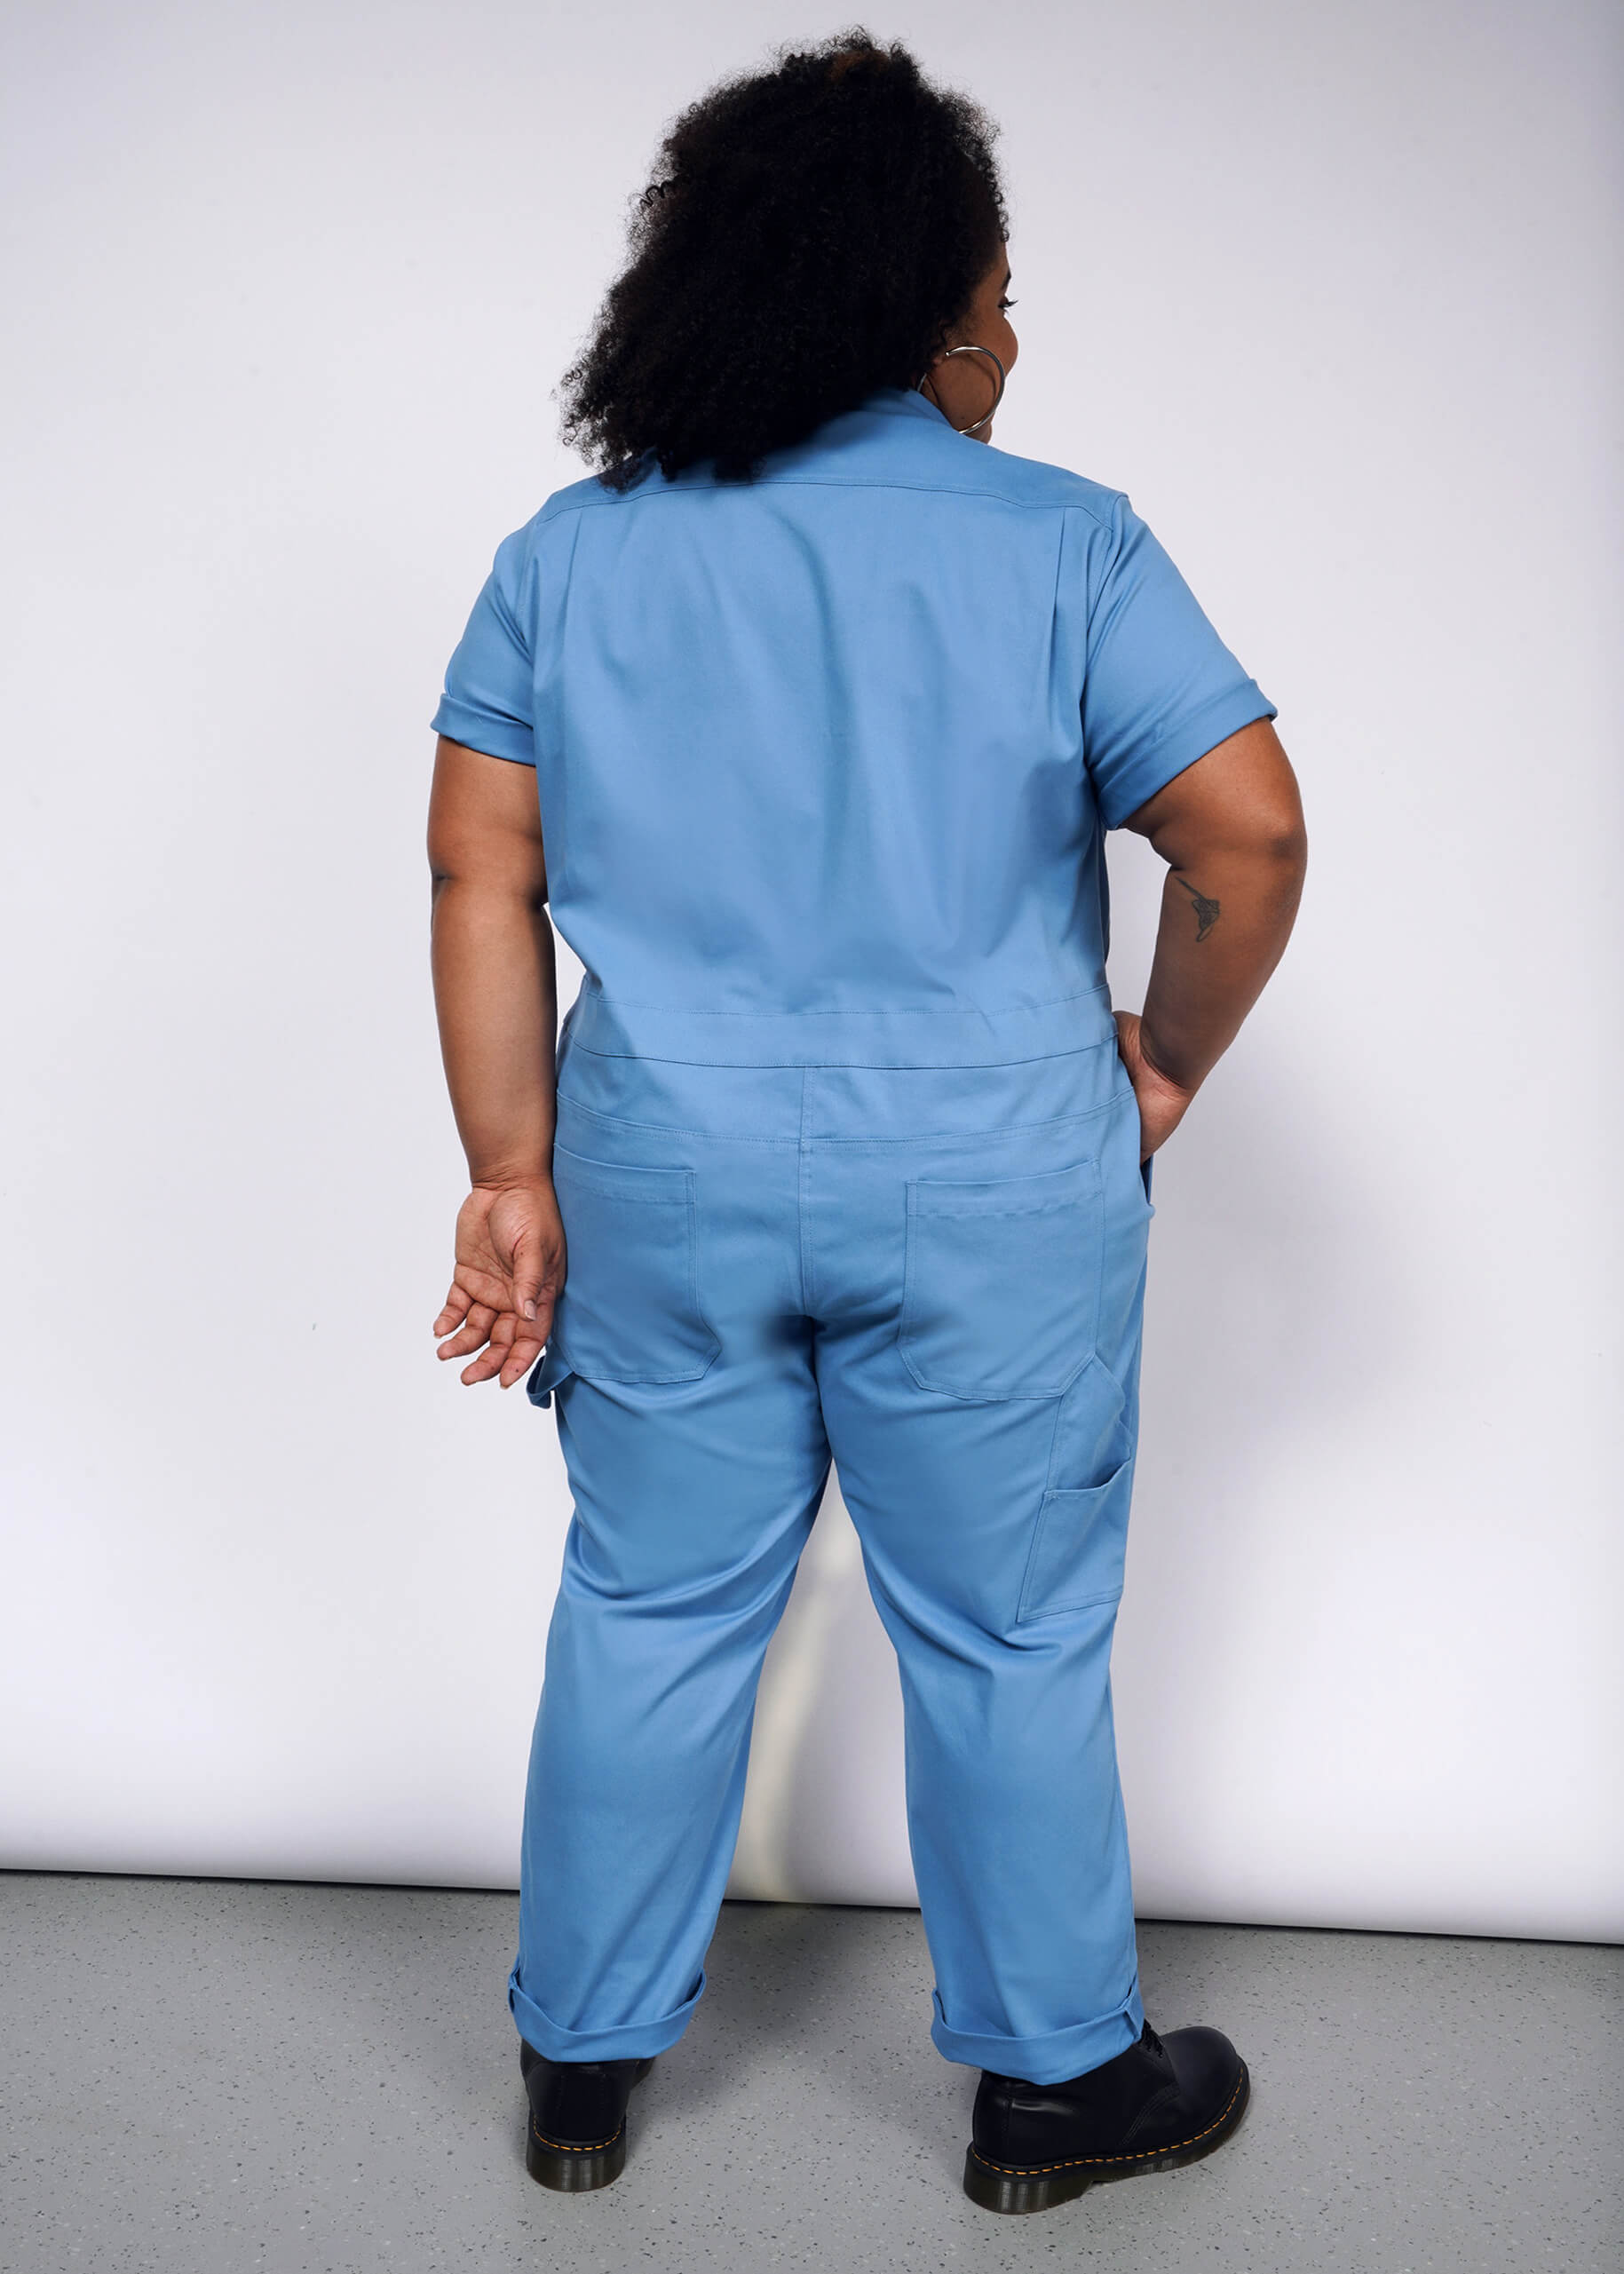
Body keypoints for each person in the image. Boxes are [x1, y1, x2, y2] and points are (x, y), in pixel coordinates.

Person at [425, 31, 1306, 2217]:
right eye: (995, 294)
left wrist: (512, 1173)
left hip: (669, 1173)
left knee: (645, 1605)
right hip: (997, 1173)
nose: (1010, 336)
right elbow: (1250, 837)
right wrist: (1169, 1055)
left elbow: (481, 876)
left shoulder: (574, 554)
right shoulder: (1068, 546)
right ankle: (1049, 2091)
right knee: (1006, 1632)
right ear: (921, 303)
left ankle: (577, 2071)